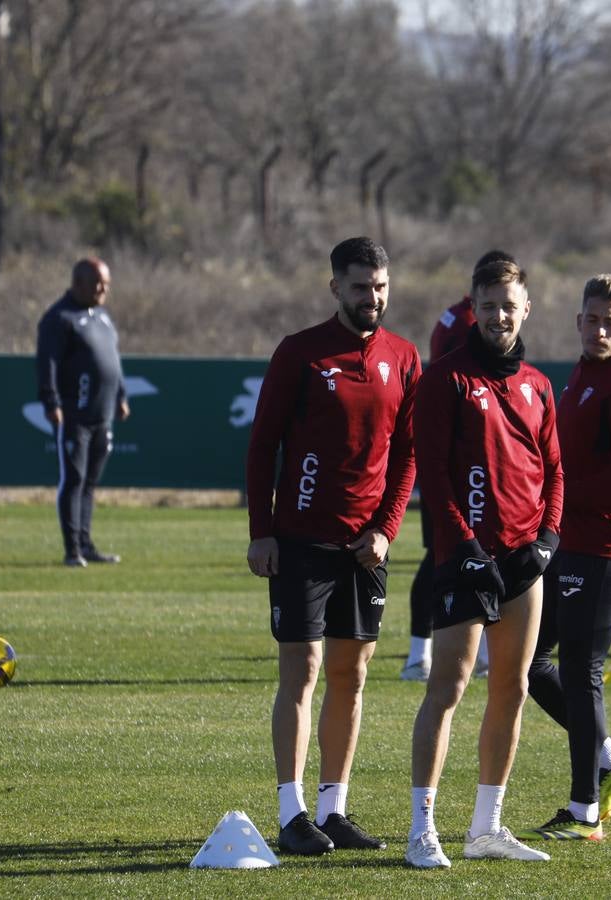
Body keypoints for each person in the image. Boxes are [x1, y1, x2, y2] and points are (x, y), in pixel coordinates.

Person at [245, 237, 421, 855]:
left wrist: (386, 529)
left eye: (379, 287)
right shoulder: (300, 353)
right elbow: (263, 444)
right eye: (358, 287)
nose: (371, 297)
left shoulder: (404, 356)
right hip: (298, 539)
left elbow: (407, 453)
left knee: (352, 674)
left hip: (365, 548)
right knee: (305, 670)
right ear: (335, 289)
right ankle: (291, 813)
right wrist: (260, 531)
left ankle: (333, 808)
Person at [405, 258, 563, 869]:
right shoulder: (444, 379)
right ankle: (423, 830)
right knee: (447, 687)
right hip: (464, 561)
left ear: (527, 309)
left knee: (512, 688)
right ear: (474, 306)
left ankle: (486, 828)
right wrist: (465, 547)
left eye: (509, 305)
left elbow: (554, 469)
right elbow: (435, 474)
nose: (499, 316)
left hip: (525, 562)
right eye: (489, 304)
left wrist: (548, 536)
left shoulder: (540, 385)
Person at [521, 274, 611, 842]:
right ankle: (610, 758)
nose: (601, 330)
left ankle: (584, 812)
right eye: (593, 319)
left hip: (603, 550)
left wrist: (557, 490)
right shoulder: (580, 375)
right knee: (531, 664)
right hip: (568, 544)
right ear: (578, 321)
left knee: (581, 674)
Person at [401, 249, 516, 683]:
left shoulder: (450, 317)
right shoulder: (466, 326)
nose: (499, 315)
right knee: (444, 558)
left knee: (468, 555)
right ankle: (419, 654)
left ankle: (464, 653)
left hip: (467, 466)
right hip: (460, 469)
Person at [35, 256, 130, 567]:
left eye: (106, 284)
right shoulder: (59, 318)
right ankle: (71, 549)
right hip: (74, 414)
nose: (103, 289)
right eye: (96, 284)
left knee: (90, 481)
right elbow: (46, 363)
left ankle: (86, 544)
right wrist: (51, 402)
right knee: (73, 479)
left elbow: (112, 360)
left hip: (102, 415)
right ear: (78, 283)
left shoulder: (102, 317)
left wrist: (121, 395)